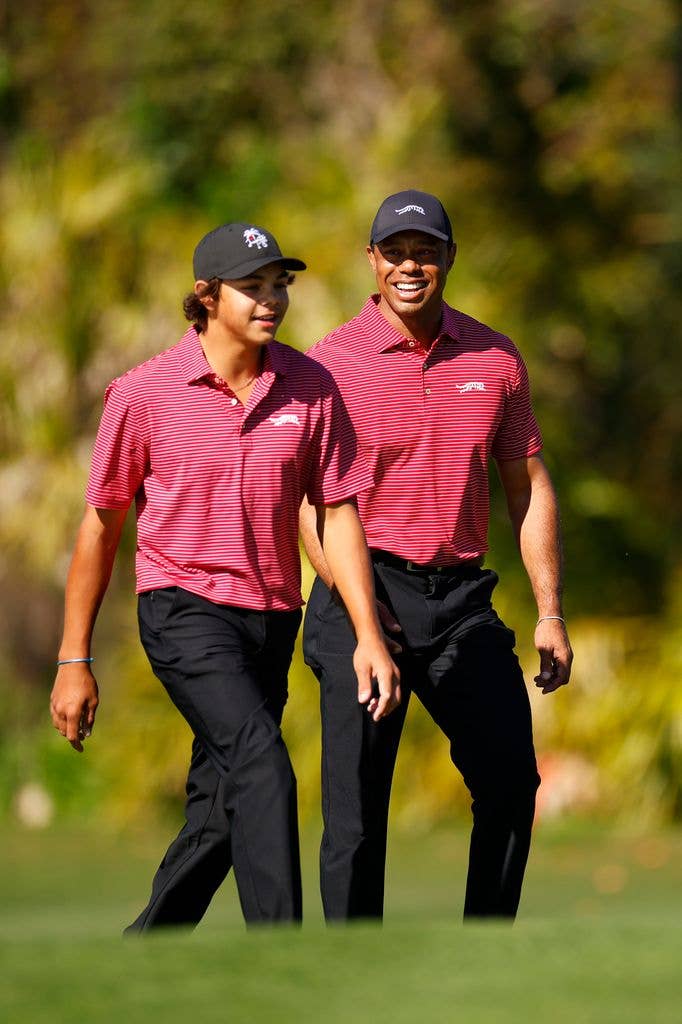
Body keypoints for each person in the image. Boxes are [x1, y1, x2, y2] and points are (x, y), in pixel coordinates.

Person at [49, 221, 399, 930]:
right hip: (183, 612)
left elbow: (337, 514)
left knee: (219, 814)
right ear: (206, 296)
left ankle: (142, 952)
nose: (272, 300)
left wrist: (368, 633)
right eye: (253, 287)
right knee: (264, 767)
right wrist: (73, 659)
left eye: (280, 286)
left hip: (270, 619)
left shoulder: (311, 387)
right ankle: (284, 961)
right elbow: (101, 527)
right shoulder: (142, 394)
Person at [301, 189, 573, 921]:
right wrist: (363, 622)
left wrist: (549, 612)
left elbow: (529, 485)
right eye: (396, 252)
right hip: (361, 590)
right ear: (373, 261)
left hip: (459, 601)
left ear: (449, 258)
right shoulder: (329, 364)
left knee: (511, 779)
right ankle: (350, 971)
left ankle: (485, 942)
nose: (410, 265)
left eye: (425, 250)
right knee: (356, 809)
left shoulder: (496, 356)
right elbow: (314, 508)